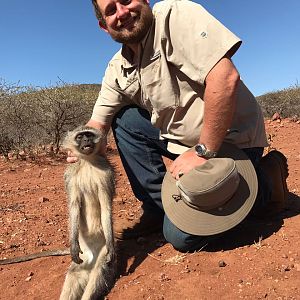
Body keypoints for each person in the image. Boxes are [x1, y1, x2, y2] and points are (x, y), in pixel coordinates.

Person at [68, 0, 289, 252]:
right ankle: (157, 208)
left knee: (182, 238)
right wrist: (83, 146)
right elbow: (98, 123)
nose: (122, 13)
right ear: (103, 26)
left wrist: (203, 150)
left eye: (126, 1)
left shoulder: (175, 16)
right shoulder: (116, 68)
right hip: (181, 144)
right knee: (125, 120)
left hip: (228, 141)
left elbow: (226, 78)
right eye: (110, 10)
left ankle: (265, 184)